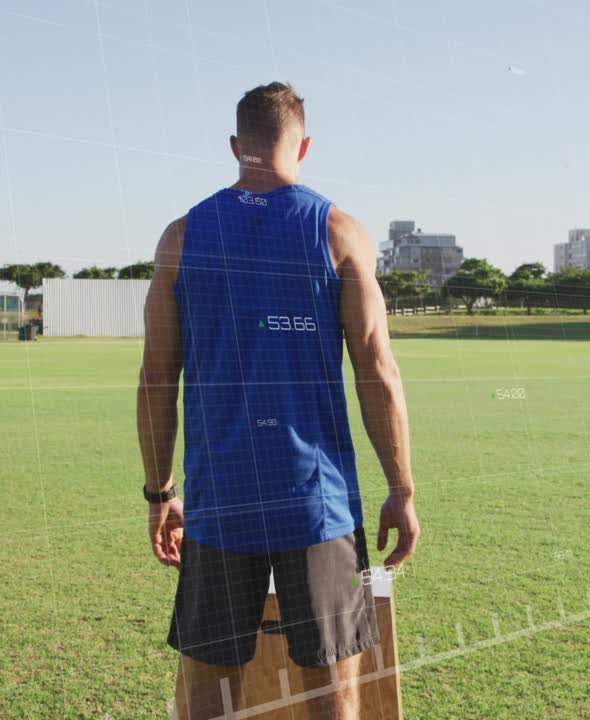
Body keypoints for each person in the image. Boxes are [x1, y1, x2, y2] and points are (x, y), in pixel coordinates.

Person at [136, 82, 419, 719]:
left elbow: (156, 378)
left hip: (218, 502)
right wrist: (401, 489)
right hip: (317, 507)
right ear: (305, 146)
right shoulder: (342, 232)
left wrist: (160, 494)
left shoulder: (180, 237)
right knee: (333, 693)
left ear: (237, 147)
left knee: (208, 696)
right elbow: (378, 370)